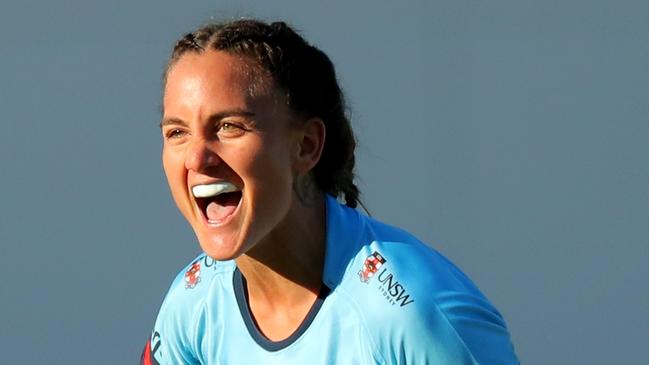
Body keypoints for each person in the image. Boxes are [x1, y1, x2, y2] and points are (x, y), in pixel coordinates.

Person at [142, 19, 519, 365]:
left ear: (306, 146)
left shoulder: (413, 315)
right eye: (176, 132)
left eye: (229, 126)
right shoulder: (191, 306)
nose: (196, 157)